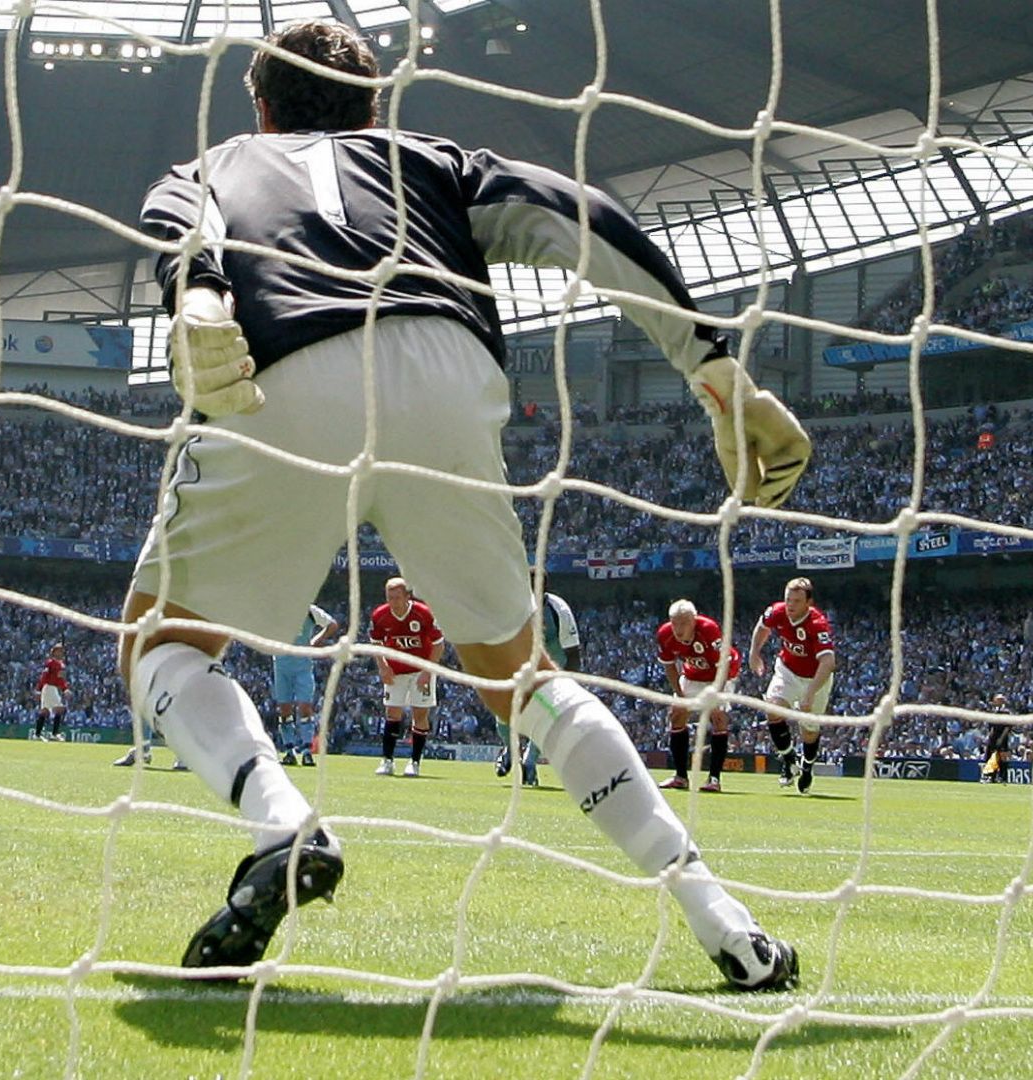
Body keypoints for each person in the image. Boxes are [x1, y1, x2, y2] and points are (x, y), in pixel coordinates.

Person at [126, 18, 807, 986]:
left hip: (279, 370)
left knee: (162, 644)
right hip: (445, 366)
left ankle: (283, 826)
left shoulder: (217, 162)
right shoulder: (433, 160)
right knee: (525, 681)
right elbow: (578, 215)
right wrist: (710, 360)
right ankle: (725, 924)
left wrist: (195, 296)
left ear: (263, 109)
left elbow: (182, 226)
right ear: (373, 109)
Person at [748, 577, 835, 794]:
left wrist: (810, 694)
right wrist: (754, 653)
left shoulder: (817, 624)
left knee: (809, 732)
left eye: (796, 601)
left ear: (809, 603)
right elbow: (762, 627)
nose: (791, 605)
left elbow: (828, 662)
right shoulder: (778, 611)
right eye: (788, 599)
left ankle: (806, 768)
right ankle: (788, 760)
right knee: (773, 709)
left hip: (815, 679)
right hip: (787, 670)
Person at [497, 590, 579, 787]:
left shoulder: (559, 610)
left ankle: (530, 761)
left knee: (545, 715)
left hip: (551, 667)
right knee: (502, 712)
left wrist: (569, 683)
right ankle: (510, 750)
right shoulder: (511, 604)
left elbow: (574, 651)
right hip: (519, 663)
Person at [656, 599, 739, 793]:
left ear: (694, 620)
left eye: (683, 623)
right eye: (674, 623)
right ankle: (680, 777)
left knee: (717, 716)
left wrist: (717, 694)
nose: (678, 628)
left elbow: (723, 665)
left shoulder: (709, 630)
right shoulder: (665, 635)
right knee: (677, 714)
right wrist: (679, 694)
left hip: (722, 673)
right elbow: (669, 666)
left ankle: (714, 779)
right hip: (693, 674)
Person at [368, 579, 445, 777]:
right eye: (389, 597)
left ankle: (414, 762)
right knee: (392, 713)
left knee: (420, 715)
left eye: (397, 597)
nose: (393, 602)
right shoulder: (380, 615)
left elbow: (438, 644)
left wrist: (428, 672)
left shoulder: (423, 613)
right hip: (395, 671)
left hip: (421, 669)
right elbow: (376, 643)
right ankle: (387, 760)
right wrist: (383, 667)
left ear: (407, 596)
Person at [273, 604, 338, 767]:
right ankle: (289, 750)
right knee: (284, 709)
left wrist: (316, 640)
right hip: (281, 665)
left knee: (305, 707)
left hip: (302, 665)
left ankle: (307, 751)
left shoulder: (309, 609)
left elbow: (332, 624)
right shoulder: (275, 610)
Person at [35, 643, 69, 741]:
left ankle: (38, 734)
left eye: (62, 651)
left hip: (53, 688)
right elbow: (44, 677)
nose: (61, 653)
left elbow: (61, 679)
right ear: (54, 652)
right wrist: (39, 689)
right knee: (59, 709)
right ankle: (54, 733)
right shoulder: (50, 663)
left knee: (45, 711)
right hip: (49, 687)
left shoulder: (61, 665)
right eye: (59, 651)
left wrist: (65, 689)